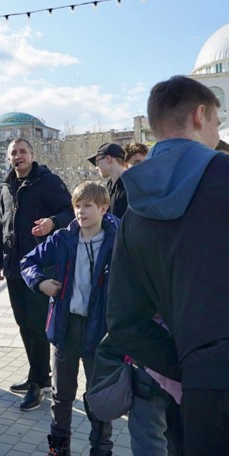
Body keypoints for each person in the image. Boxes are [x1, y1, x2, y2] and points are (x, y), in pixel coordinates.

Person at [99, 75, 229, 453]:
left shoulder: (135, 214)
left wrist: (190, 366)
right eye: (218, 125)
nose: (218, 135)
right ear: (200, 115)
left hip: (199, 392)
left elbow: (123, 323)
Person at [21, 181, 118, 456]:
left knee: (98, 395)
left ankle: (101, 449)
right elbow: (28, 262)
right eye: (77, 206)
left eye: (87, 206)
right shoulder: (62, 239)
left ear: (103, 208)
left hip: (100, 330)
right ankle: (58, 447)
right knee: (61, 395)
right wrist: (40, 282)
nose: (81, 212)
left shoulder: (117, 240)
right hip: (66, 327)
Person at [0, 138, 73, 411]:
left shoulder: (47, 181)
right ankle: (37, 375)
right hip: (14, 268)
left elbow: (70, 211)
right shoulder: (6, 187)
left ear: (32, 155)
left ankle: (38, 382)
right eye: (13, 153)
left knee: (37, 326)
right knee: (23, 324)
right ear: (9, 159)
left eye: (23, 151)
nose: (18, 156)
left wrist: (53, 222)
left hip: (39, 268)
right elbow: (1, 227)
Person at [87, 143, 127, 218]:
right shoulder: (109, 186)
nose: (96, 168)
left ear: (108, 159)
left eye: (97, 163)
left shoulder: (132, 184)